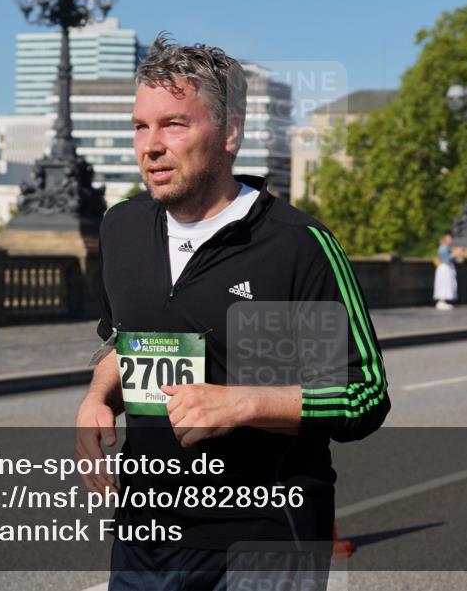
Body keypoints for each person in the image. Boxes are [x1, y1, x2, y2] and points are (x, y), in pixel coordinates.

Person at [75, 35, 390, 590]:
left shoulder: (295, 245)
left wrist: (243, 403)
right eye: (140, 126)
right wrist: (98, 397)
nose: (150, 145)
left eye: (174, 124)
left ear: (230, 133)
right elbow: (125, 340)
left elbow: (362, 396)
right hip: (146, 534)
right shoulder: (122, 229)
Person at [433, 232, 463, 310]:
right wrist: (455, 253)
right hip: (444, 268)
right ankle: (441, 302)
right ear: (445, 239)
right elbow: (444, 259)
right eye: (449, 239)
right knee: (444, 285)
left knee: (446, 284)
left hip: (446, 268)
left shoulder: (446, 247)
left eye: (451, 239)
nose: (450, 240)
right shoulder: (443, 247)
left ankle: (443, 301)